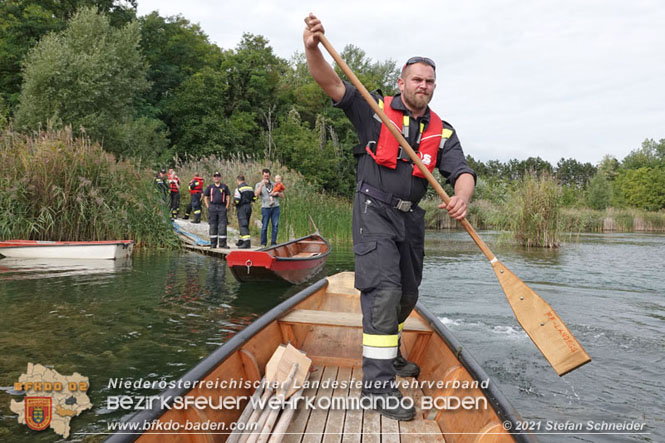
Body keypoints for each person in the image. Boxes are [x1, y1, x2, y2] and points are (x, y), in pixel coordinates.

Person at [304, 14, 476, 421]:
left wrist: (461, 196)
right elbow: (328, 81)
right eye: (417, 79)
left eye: (430, 81)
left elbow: (463, 172)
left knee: (407, 295)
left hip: (410, 218)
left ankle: (390, 351)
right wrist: (312, 47)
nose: (424, 86)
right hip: (373, 210)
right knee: (383, 291)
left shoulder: (443, 131)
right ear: (402, 83)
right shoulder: (373, 109)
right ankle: (378, 387)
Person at [255, 168, 284, 247]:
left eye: (267, 176)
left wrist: (277, 193)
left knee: (275, 225)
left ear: (270, 176)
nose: (266, 178)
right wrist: (262, 185)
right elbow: (256, 194)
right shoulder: (258, 184)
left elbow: (282, 195)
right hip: (266, 207)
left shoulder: (275, 184)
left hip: (275, 207)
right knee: (264, 226)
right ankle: (263, 243)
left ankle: (273, 243)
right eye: (265, 176)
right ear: (262, 175)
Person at [204, 172, 231, 249]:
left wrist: (226, 206)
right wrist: (208, 206)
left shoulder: (224, 187)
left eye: (218, 176)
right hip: (212, 207)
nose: (216, 178)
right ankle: (213, 244)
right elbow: (205, 197)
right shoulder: (210, 187)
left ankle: (222, 244)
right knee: (213, 225)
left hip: (222, 207)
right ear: (213, 178)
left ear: (220, 178)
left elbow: (228, 196)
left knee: (222, 225)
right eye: (215, 176)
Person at [233, 175, 256, 249]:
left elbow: (236, 200)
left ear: (238, 180)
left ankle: (246, 243)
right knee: (246, 223)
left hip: (242, 207)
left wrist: (233, 204)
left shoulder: (238, 188)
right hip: (249, 207)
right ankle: (241, 241)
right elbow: (254, 198)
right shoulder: (250, 188)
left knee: (243, 225)